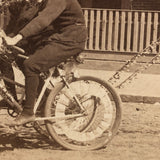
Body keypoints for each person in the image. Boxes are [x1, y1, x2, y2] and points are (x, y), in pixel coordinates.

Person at [3, 0, 87, 126]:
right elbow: (29, 21)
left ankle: (28, 113)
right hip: (55, 38)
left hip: (70, 40)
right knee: (20, 57)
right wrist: (9, 38)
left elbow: (43, 20)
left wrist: (16, 38)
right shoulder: (43, 2)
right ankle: (44, 101)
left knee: (31, 65)